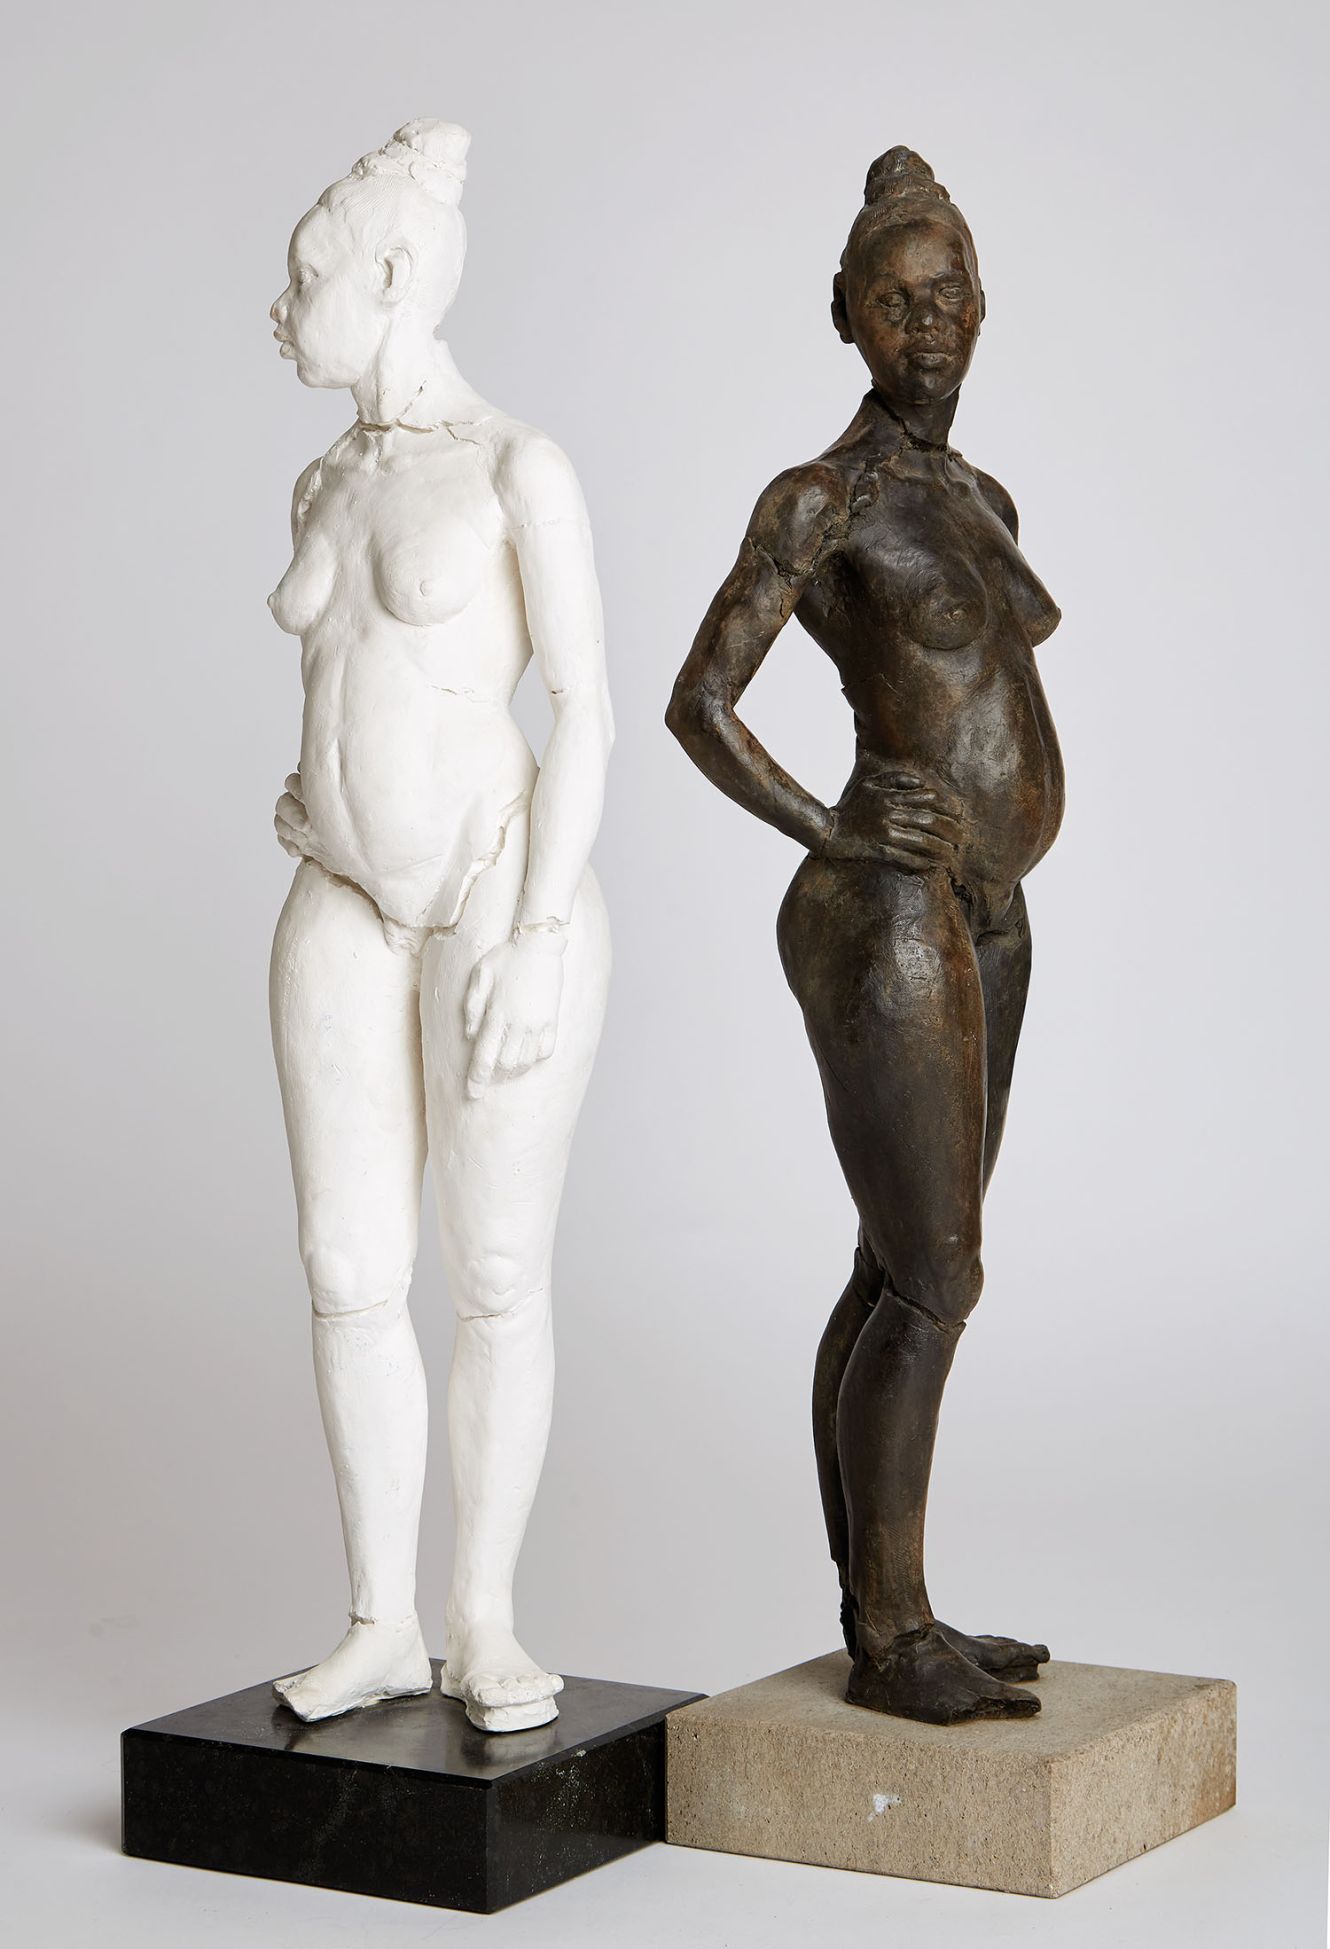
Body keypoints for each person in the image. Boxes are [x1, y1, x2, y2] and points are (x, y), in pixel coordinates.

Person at [668, 147, 1062, 1724]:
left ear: (983, 301)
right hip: (886, 906)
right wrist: (831, 825)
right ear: (843, 316)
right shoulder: (819, 499)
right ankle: (891, 1638)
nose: (927, 323)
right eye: (894, 301)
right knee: (936, 1274)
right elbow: (700, 702)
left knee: (899, 1264)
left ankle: (888, 1603)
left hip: (986, 911)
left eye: (947, 291)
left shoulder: (976, 498)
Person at [266, 121, 612, 1730]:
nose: (280, 311)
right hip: (340, 896)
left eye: (305, 279)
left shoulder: (516, 467)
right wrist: (318, 792)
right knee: (346, 1267)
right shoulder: (323, 478)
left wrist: (538, 931)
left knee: (492, 1267)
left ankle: (483, 1615)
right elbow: (354, 679)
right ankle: (377, 1619)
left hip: (488, 889)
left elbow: (586, 710)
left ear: (395, 275)